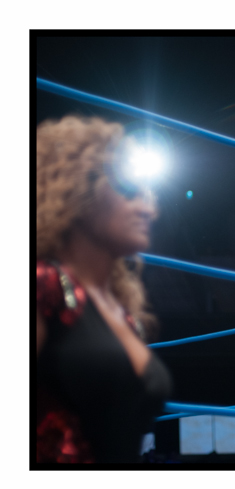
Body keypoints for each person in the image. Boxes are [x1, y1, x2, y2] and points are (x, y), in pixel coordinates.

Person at [36, 116, 172, 463]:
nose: (148, 209)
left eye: (148, 195)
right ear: (79, 192)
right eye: (129, 191)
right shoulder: (43, 286)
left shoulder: (124, 313)